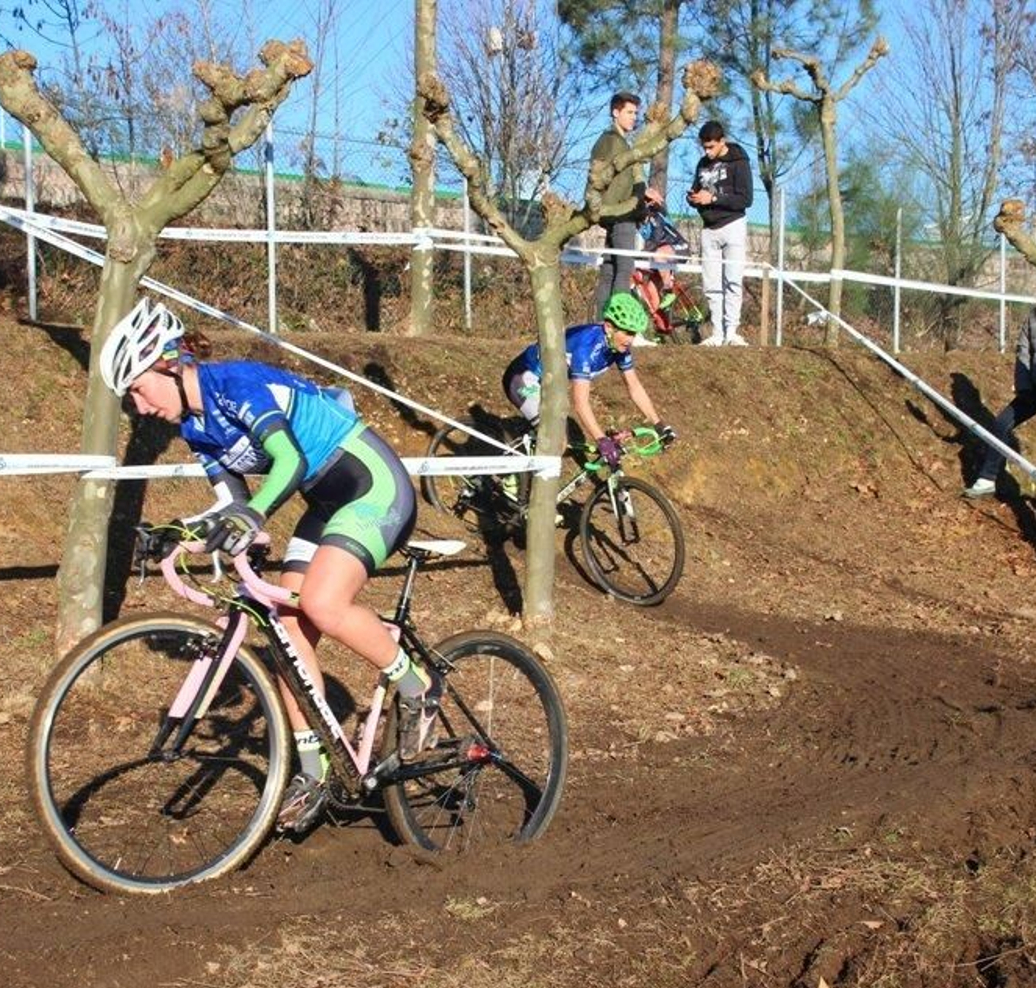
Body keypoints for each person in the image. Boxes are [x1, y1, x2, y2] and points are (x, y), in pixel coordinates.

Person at [101, 297, 428, 829]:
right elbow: (231, 505)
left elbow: (290, 461)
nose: (139, 408)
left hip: (371, 481)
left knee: (323, 602)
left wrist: (252, 514)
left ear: (167, 362)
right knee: (288, 640)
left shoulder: (235, 385)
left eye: (137, 390)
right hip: (325, 503)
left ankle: (417, 688)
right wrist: (181, 536)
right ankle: (312, 772)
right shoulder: (196, 430)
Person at [501, 292, 674, 463]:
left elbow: (634, 387)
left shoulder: (618, 345)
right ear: (608, 327)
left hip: (549, 384)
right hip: (523, 377)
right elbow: (580, 402)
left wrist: (659, 424)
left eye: (634, 333)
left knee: (559, 442)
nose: (631, 339)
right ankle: (517, 478)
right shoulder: (586, 347)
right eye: (627, 332)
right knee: (557, 442)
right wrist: (601, 439)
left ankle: (527, 464)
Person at [965, 279, 1036, 497]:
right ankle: (987, 479)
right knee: (1001, 423)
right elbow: (1023, 351)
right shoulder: (1035, 315)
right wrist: (1024, 383)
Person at [590, 92, 662, 317]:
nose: (634, 118)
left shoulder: (618, 141)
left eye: (636, 113)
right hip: (622, 213)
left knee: (610, 269)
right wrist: (636, 198)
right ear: (615, 112)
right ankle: (620, 323)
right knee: (624, 269)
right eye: (629, 112)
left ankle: (601, 323)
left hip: (614, 212)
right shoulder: (612, 142)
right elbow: (606, 178)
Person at [687, 120, 753, 347]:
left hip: (733, 225)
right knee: (711, 283)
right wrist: (694, 198)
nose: (707, 152)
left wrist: (714, 198)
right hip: (708, 228)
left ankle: (732, 332)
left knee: (733, 279)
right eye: (704, 148)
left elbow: (745, 199)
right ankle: (716, 332)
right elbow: (698, 191)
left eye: (711, 147)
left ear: (722, 142)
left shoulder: (739, 161)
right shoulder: (702, 164)